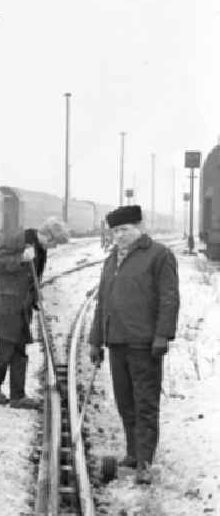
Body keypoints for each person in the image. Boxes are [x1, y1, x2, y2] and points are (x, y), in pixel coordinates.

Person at [88, 204, 179, 485]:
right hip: (116, 341)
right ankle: (132, 452)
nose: (119, 236)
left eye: (125, 230)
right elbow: (103, 303)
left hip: (144, 343)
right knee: (125, 402)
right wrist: (95, 340)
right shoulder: (111, 260)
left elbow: (169, 298)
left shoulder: (159, 255)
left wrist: (163, 335)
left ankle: (145, 462)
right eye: (115, 231)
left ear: (139, 228)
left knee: (145, 403)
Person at [0, 218, 68, 409]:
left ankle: (17, 396)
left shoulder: (41, 249)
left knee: (19, 349)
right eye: (53, 242)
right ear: (47, 234)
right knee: (5, 348)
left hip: (21, 306)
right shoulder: (19, 239)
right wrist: (20, 259)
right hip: (5, 303)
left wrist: (35, 299)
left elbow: (34, 277)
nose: (52, 247)